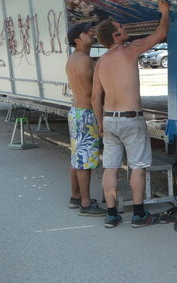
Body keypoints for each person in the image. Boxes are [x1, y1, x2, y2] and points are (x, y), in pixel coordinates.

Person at [92, 0, 170, 228]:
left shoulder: (101, 62)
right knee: (137, 167)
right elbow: (161, 33)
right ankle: (138, 214)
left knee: (111, 167)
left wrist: (100, 123)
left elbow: (96, 98)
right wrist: (164, 12)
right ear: (115, 36)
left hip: (109, 120)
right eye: (121, 28)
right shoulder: (130, 50)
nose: (125, 29)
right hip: (131, 119)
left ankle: (111, 214)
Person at [65, 22, 106, 217]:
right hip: (86, 113)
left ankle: (76, 196)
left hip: (77, 112)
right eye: (87, 32)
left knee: (77, 157)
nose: (91, 33)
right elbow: (93, 94)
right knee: (86, 160)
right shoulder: (84, 60)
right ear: (77, 39)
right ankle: (86, 202)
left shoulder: (74, 58)